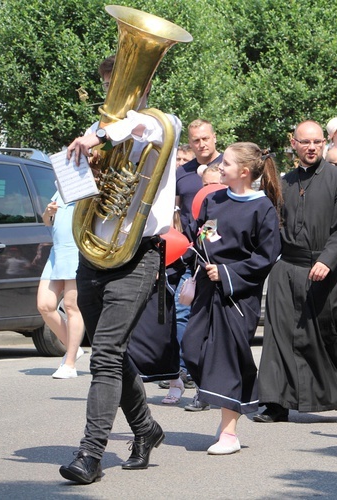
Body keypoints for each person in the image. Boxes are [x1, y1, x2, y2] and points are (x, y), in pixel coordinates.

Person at [59, 76, 182, 483]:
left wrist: (100, 136)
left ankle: (90, 455)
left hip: (138, 255)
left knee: (106, 356)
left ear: (143, 86)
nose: (115, 93)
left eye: (123, 84)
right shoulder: (101, 134)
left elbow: (140, 127)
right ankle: (146, 429)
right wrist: (84, 164)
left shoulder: (164, 124)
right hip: (94, 253)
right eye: (110, 86)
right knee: (112, 353)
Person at [254, 120, 337, 423]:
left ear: (324, 143)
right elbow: (272, 228)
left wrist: (327, 260)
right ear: (294, 143)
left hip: (323, 270)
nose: (312, 147)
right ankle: (276, 403)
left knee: (326, 335)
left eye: (317, 142)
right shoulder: (284, 182)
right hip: (287, 269)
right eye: (305, 142)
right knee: (279, 337)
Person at [181, 142, 282, 454]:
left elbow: (267, 255)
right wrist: (191, 256)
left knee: (226, 358)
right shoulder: (214, 199)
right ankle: (229, 406)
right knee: (192, 347)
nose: (219, 167)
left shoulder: (262, 207)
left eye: (225, 163)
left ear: (244, 171)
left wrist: (227, 273)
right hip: (207, 289)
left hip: (239, 296)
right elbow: (206, 234)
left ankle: (229, 433)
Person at [175, 119, 224, 411]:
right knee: (185, 318)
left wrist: (207, 238)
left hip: (223, 259)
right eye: (196, 140)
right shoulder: (182, 174)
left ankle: (224, 389)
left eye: (206, 138)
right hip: (191, 260)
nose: (202, 144)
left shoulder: (228, 165)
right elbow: (176, 214)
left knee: (217, 328)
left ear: (214, 137)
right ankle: (199, 384)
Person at [37, 193, 85, 379]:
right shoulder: (61, 189)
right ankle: (73, 347)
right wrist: (48, 213)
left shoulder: (89, 186)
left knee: (72, 306)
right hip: (57, 252)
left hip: (76, 251)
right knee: (45, 305)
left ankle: (70, 363)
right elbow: (48, 223)